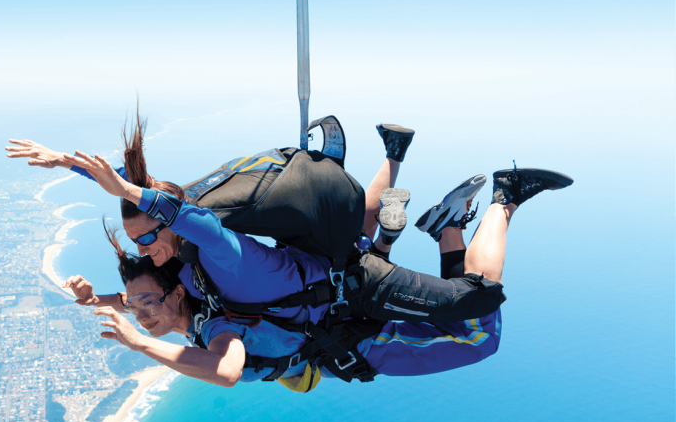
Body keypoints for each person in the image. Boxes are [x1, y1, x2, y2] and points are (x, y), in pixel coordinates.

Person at [70, 165, 568, 391]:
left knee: (479, 330)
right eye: (137, 307)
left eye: (146, 305)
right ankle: (443, 226)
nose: (143, 313)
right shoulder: (185, 293)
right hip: (342, 306)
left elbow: (224, 371)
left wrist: (139, 345)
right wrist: (102, 301)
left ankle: (504, 198)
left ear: (176, 288)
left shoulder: (218, 319)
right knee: (378, 240)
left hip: (365, 339)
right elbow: (150, 296)